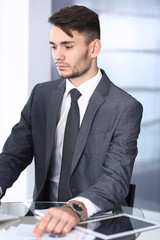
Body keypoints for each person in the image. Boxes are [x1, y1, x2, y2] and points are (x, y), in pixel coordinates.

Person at [0, 5, 143, 238]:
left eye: (68, 46)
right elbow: (14, 155)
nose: (58, 55)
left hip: (97, 223)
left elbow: (115, 178)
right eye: (54, 47)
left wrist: (75, 208)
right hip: (42, 221)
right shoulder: (41, 95)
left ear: (94, 47)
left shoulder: (124, 107)